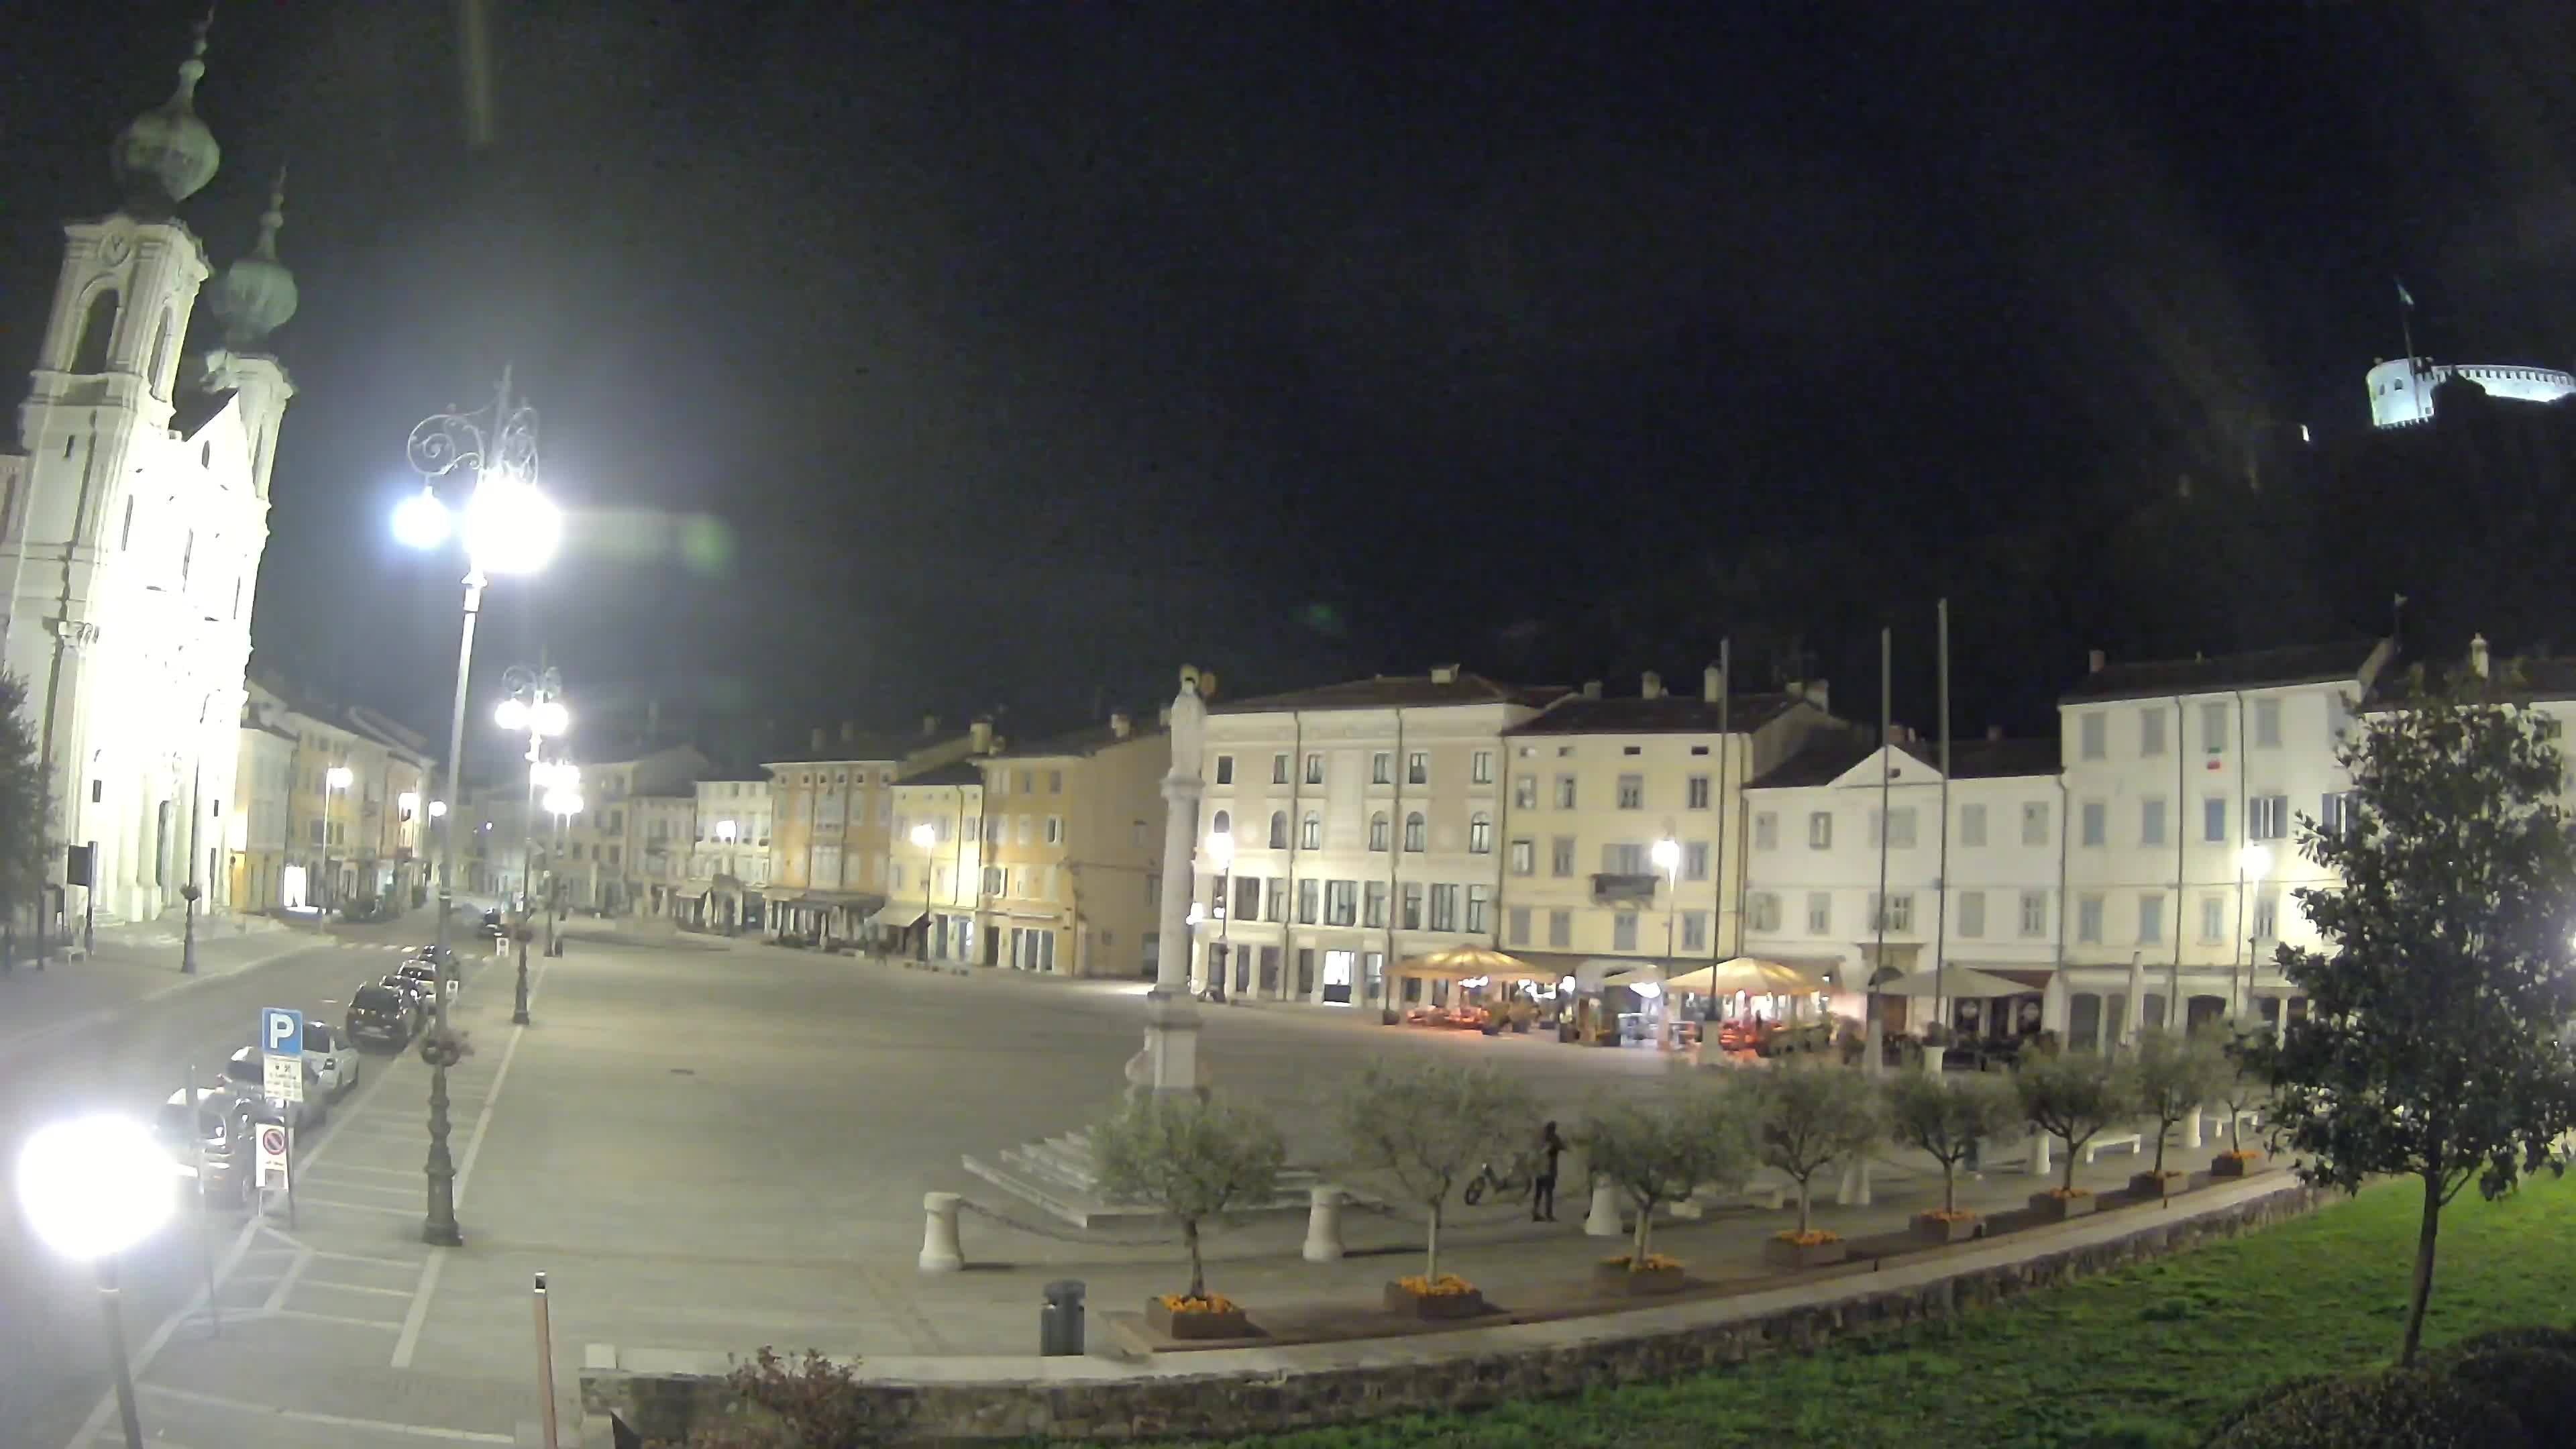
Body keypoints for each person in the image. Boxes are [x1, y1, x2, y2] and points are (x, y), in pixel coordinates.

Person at [1532, 1120, 1566, 1222]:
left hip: (1539, 1171)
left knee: (1538, 1193)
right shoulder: (1554, 1138)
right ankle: (1548, 1214)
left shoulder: (1539, 1139)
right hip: (1549, 1170)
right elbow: (1563, 1147)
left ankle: (1535, 1213)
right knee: (1549, 1193)